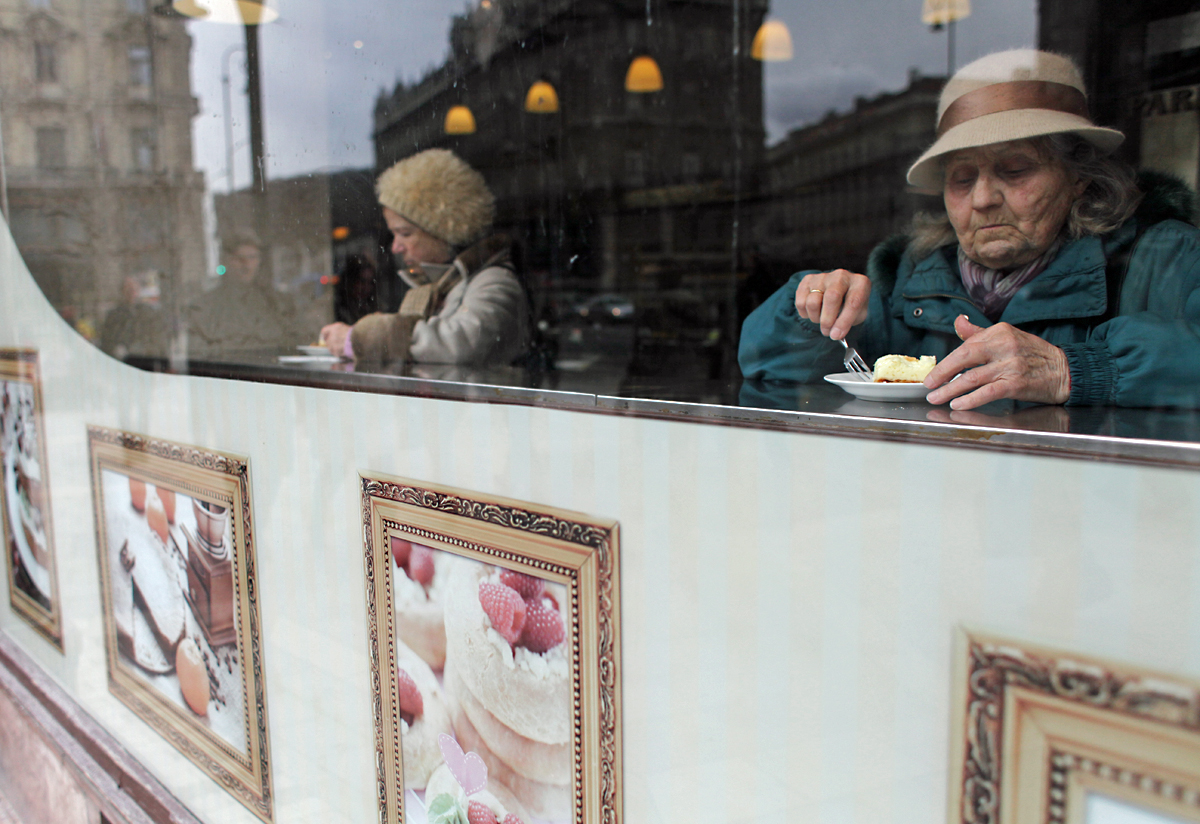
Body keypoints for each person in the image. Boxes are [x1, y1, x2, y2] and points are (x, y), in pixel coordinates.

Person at [739, 49, 1200, 409]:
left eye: (1015, 170)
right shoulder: (907, 278)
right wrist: (809, 313)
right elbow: (768, 371)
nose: (982, 199)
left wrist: (1075, 369)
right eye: (962, 178)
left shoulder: (1163, 259)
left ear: (1078, 177)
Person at [320, 149, 530, 367]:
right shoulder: (434, 286)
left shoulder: (495, 282)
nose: (396, 247)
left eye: (405, 233)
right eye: (394, 234)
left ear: (444, 232)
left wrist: (368, 337)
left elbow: (463, 343)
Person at [188, 231, 304, 355]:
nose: (246, 265)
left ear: (259, 261)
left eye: (252, 257)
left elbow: (296, 342)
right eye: (238, 258)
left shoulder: (278, 303)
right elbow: (198, 352)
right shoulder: (206, 306)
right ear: (226, 261)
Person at [99, 275, 167, 359]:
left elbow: (156, 338)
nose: (131, 293)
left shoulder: (147, 313)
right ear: (122, 292)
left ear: (138, 291)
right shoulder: (114, 315)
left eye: (133, 289)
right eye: (127, 290)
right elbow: (106, 341)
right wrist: (115, 349)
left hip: (144, 361)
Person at [332, 254, 379, 325]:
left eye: (371, 282)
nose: (366, 287)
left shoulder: (376, 306)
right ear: (351, 282)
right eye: (362, 281)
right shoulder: (338, 310)